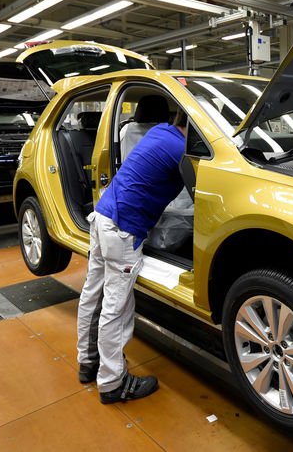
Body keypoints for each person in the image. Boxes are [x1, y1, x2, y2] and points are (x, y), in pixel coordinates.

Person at [76, 108, 187, 404]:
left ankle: (88, 362)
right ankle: (113, 383)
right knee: (117, 307)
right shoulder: (181, 148)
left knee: (93, 293)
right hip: (124, 229)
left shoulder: (160, 131)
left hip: (103, 216)